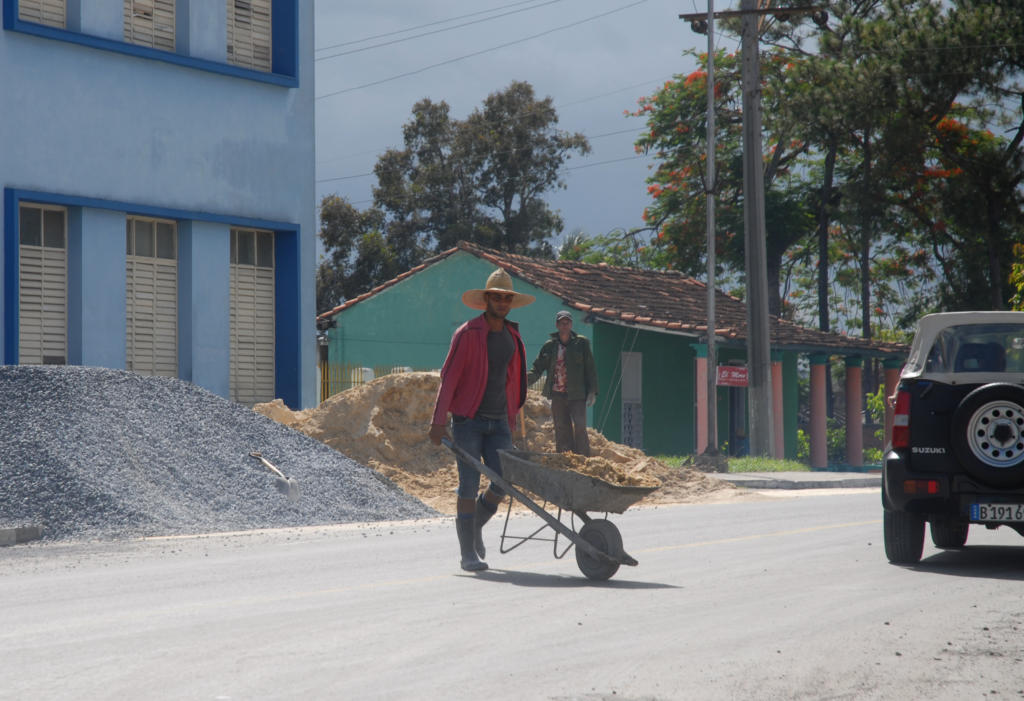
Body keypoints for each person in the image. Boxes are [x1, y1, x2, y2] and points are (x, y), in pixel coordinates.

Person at [429, 268, 534, 572]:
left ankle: (474, 525)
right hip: (469, 421)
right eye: (496, 297)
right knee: (468, 486)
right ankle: (467, 555)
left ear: (510, 303)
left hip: (499, 421)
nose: (501, 302)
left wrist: (512, 415)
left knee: (503, 482)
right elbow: (449, 378)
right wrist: (438, 421)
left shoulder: (512, 335)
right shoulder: (467, 334)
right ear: (486, 299)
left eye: (506, 298)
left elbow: (512, 379)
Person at [527, 310, 597, 456]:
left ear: (571, 324)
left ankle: (583, 458)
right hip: (557, 393)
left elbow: (590, 368)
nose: (565, 325)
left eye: (567, 322)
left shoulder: (581, 343)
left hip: (577, 394)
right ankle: (565, 457)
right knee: (561, 427)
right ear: (557, 325)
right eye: (562, 323)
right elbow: (538, 368)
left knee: (579, 425)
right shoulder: (550, 346)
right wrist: (523, 381)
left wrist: (592, 391)